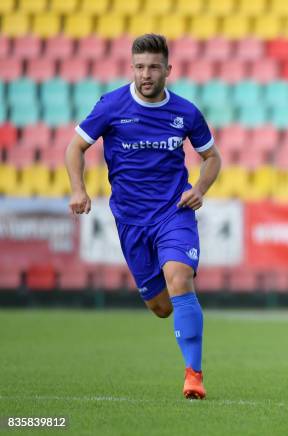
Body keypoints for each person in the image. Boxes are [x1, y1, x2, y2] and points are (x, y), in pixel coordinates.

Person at [65, 34, 222, 399]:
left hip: (174, 213)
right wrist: (78, 188)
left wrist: (199, 189)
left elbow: (212, 157)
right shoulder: (111, 106)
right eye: (139, 67)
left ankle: (193, 375)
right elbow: (75, 148)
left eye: (153, 67)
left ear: (168, 69)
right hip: (131, 221)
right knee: (161, 307)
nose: (145, 74)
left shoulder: (185, 113)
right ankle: (180, 314)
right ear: (131, 68)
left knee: (180, 278)